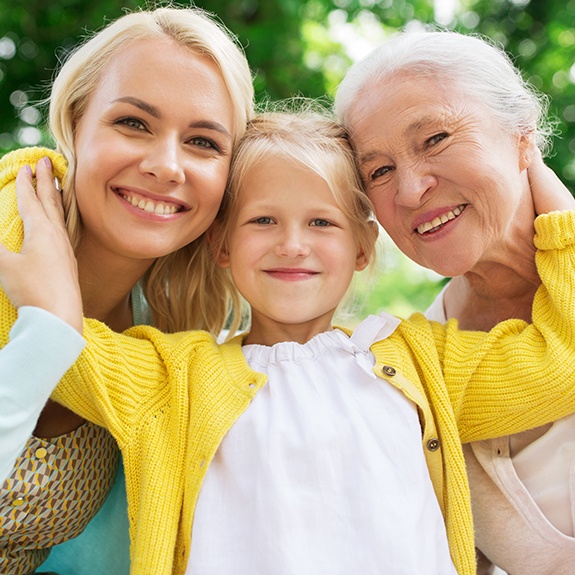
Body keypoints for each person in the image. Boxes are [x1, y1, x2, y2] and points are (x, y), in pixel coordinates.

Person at [1, 108, 575, 575]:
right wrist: (28, 176)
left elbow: (564, 361)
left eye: (322, 223)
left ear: (362, 247)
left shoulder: (426, 363)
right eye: (263, 222)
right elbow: (40, 330)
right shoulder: (169, 380)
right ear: (222, 246)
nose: (293, 245)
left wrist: (547, 193)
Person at [0, 5, 253, 574]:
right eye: (134, 123)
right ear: (75, 124)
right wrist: (49, 332)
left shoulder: (164, 344)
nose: (166, 166)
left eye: (203, 142)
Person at [334, 28, 575, 574]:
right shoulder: (416, 368)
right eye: (379, 171)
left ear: (522, 136)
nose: (410, 190)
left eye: (435, 138)